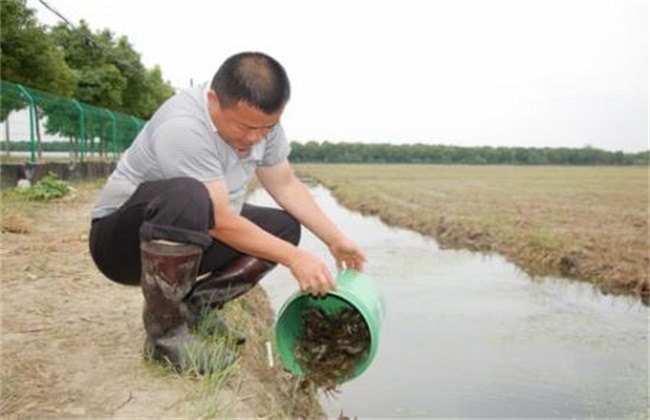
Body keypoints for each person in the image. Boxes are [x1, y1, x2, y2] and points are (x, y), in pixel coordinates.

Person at [88, 51, 366, 374]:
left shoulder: (262, 125)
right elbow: (219, 220)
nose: (254, 138)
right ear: (213, 100)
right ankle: (167, 338)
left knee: (283, 228)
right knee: (189, 195)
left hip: (192, 234)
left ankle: (198, 308)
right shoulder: (183, 126)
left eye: (266, 128)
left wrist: (335, 239)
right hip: (121, 244)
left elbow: (286, 184)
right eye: (245, 127)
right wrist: (295, 258)